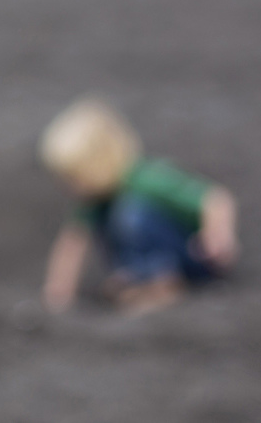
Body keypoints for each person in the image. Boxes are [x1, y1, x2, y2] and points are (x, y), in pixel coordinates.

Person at [39, 97, 239, 315]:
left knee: (130, 214)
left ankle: (159, 285)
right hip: (166, 259)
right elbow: (73, 241)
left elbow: (215, 199)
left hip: (195, 259)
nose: (69, 187)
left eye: (73, 178)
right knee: (111, 218)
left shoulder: (147, 179)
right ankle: (140, 278)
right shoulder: (97, 199)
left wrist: (217, 239)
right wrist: (58, 291)